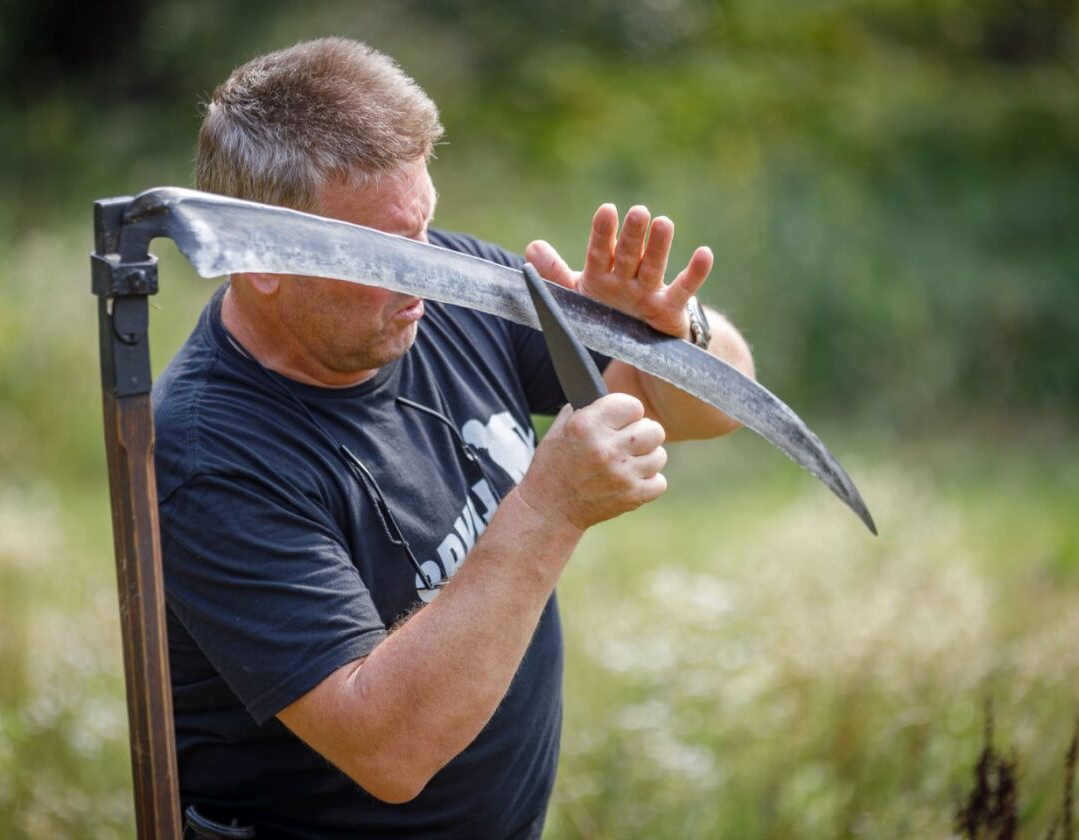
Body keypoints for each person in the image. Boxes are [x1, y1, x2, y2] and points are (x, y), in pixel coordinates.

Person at [154, 37, 755, 838]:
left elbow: (713, 409)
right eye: (384, 250)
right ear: (260, 257)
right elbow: (387, 750)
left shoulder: (438, 284)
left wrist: (665, 333)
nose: (424, 278)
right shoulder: (210, 456)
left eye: (425, 227)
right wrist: (546, 511)